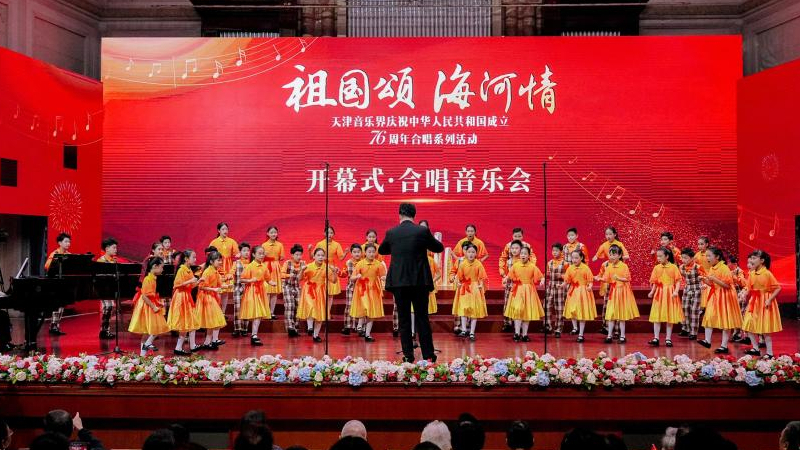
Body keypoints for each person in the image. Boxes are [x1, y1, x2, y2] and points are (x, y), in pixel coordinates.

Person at [378, 203, 444, 363]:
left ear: (399, 215)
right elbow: (438, 248)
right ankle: (428, 354)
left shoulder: (392, 232)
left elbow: (382, 250)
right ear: (414, 215)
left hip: (399, 281)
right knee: (422, 317)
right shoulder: (422, 231)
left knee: (404, 319)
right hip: (419, 281)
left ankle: (408, 355)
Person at [697, 247, 743, 353]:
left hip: (725, 296)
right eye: (706, 256)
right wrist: (704, 280)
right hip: (715, 295)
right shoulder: (712, 268)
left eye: (709, 256)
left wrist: (714, 279)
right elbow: (712, 284)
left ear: (717, 257)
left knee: (725, 321)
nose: (707, 258)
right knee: (709, 316)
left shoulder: (724, 268)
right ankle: (707, 341)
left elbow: (727, 285)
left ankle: (724, 346)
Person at [741, 249, 782, 357]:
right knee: (747, 325)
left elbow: (778, 288)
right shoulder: (751, 273)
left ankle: (769, 353)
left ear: (762, 261)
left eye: (754, 258)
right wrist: (744, 293)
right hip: (754, 302)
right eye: (751, 258)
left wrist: (769, 299)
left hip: (764, 301)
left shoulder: (767, 273)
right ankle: (755, 348)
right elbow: (749, 287)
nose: (751, 260)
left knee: (765, 329)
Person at [592, 227, 629, 335]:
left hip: (618, 282)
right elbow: (597, 255)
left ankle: (617, 330)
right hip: (608, 278)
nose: (608, 236)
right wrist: (595, 258)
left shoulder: (620, 245)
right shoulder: (604, 247)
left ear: (615, 234)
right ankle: (606, 327)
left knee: (617, 306)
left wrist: (619, 259)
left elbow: (626, 256)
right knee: (607, 304)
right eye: (606, 234)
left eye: (610, 234)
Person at [128, 257, 169, 355]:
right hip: (147, 306)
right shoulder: (148, 279)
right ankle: (147, 343)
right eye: (161, 267)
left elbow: (151, 295)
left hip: (150, 304)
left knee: (149, 331)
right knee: (157, 328)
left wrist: (158, 303)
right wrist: (154, 307)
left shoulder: (153, 278)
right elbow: (144, 296)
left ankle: (142, 354)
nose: (162, 270)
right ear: (155, 266)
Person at [600, 244, 638, 344]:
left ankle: (622, 336)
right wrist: (599, 278)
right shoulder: (609, 267)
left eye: (614, 254)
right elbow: (606, 279)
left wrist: (619, 278)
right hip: (613, 292)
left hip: (622, 293)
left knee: (621, 316)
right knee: (611, 314)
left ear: (620, 255)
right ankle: (609, 335)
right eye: (610, 255)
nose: (612, 257)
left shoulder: (624, 266)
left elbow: (627, 279)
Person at [504, 245, 544, 342]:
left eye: (525, 254)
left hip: (529, 291)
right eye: (521, 253)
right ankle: (517, 333)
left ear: (529, 255)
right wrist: (505, 279)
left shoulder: (532, 266)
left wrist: (542, 280)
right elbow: (509, 275)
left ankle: (525, 334)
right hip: (517, 290)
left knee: (526, 312)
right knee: (517, 311)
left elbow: (541, 276)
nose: (523, 255)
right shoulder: (515, 265)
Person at [297, 248, 337, 342]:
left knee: (320, 314)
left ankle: (316, 335)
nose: (320, 257)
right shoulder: (308, 266)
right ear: (314, 256)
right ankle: (310, 327)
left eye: (322, 255)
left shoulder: (326, 268)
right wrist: (302, 270)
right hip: (309, 290)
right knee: (310, 307)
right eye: (318, 255)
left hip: (320, 291)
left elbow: (334, 281)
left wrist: (334, 272)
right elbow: (299, 278)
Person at [350, 244, 386, 342]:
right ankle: (360, 326)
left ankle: (367, 334)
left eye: (373, 252)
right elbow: (352, 278)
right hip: (362, 291)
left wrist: (384, 278)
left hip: (374, 290)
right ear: (365, 253)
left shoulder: (379, 264)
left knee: (371, 313)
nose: (371, 254)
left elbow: (383, 276)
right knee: (364, 309)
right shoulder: (360, 264)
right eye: (369, 252)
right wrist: (356, 277)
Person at [452, 243, 488, 342]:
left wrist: (481, 284)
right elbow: (459, 277)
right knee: (463, 309)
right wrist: (458, 283)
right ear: (465, 253)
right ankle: (464, 330)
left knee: (473, 311)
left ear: (476, 253)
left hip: (474, 288)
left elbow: (482, 277)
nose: (471, 254)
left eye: (473, 252)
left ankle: (472, 332)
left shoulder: (478, 264)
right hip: (464, 289)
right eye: (469, 252)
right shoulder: (462, 264)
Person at [648, 247, 683, 347]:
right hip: (659, 293)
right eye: (657, 256)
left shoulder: (673, 267)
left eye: (660, 256)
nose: (658, 258)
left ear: (667, 256)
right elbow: (655, 282)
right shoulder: (656, 268)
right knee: (657, 316)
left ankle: (668, 338)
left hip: (670, 293)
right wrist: (652, 291)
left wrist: (676, 291)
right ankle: (656, 338)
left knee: (669, 316)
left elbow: (678, 281)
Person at [167, 250, 201, 355]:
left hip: (187, 296)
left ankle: (184, 347)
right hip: (181, 297)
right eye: (193, 257)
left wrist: (198, 282)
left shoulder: (189, 270)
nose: (195, 259)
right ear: (186, 259)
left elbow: (191, 286)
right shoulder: (182, 269)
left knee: (189, 322)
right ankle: (180, 347)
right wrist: (190, 281)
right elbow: (176, 285)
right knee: (184, 322)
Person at [196, 251, 229, 350]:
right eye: (218, 260)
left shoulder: (215, 271)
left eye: (221, 260)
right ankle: (211, 341)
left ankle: (207, 342)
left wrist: (226, 285)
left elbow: (219, 284)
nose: (220, 262)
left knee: (212, 322)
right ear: (211, 261)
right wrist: (213, 289)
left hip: (212, 296)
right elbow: (201, 287)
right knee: (214, 320)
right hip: (206, 297)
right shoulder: (207, 271)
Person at [240, 245, 272, 346]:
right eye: (259, 253)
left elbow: (268, 278)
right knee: (255, 313)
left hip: (261, 292)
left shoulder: (264, 266)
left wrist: (272, 282)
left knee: (258, 314)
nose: (262, 255)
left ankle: (254, 335)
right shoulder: (250, 266)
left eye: (263, 254)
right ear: (254, 254)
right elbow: (241, 279)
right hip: (252, 291)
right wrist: (250, 280)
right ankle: (253, 335)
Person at [562, 250, 596, 342]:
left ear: (581, 258)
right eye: (573, 258)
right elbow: (566, 281)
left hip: (583, 292)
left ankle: (581, 334)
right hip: (573, 291)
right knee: (572, 310)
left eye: (576, 258)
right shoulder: (570, 268)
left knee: (581, 313)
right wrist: (562, 285)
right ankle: (575, 328)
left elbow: (590, 281)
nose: (574, 260)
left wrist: (589, 286)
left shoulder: (585, 268)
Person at [209, 223, 239, 320]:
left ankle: (223, 312)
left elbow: (237, 254)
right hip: (217, 267)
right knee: (218, 290)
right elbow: (209, 255)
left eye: (226, 229)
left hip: (228, 267)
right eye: (223, 229)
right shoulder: (214, 242)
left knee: (225, 292)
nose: (225, 231)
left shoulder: (232, 241)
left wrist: (238, 255)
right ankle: (216, 312)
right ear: (218, 230)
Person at [45, 232, 71, 335]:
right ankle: (53, 326)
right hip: (55, 283)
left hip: (64, 283)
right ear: (59, 243)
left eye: (69, 242)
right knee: (57, 305)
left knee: (62, 305)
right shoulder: (54, 254)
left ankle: (56, 326)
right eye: (66, 241)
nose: (68, 243)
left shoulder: (69, 255)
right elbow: (47, 266)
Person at [96, 238, 121, 339]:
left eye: (116, 248)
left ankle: (106, 330)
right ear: (106, 249)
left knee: (110, 307)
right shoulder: (101, 261)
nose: (116, 250)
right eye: (114, 248)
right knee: (107, 306)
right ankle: (104, 330)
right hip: (103, 288)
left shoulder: (114, 261)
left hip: (110, 288)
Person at [310, 226, 346, 296]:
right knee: (321, 291)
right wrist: (309, 250)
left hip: (331, 268)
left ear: (334, 234)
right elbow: (312, 257)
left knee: (330, 292)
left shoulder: (337, 244)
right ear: (324, 233)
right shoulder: (320, 244)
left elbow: (341, 258)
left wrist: (345, 253)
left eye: (331, 233)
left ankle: (329, 304)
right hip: (322, 267)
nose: (329, 234)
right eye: (328, 233)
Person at [544, 243, 569, 338]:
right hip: (550, 286)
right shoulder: (549, 263)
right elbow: (547, 273)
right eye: (553, 251)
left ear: (561, 252)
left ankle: (558, 329)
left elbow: (569, 276)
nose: (554, 252)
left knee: (559, 308)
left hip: (560, 287)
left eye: (556, 251)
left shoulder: (565, 263)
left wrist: (561, 276)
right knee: (547, 306)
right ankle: (548, 326)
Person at [499, 240, 524, 333]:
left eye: (516, 248)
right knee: (507, 304)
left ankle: (519, 325)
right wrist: (504, 281)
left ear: (521, 249)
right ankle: (507, 323)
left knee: (518, 306)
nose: (514, 250)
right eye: (512, 248)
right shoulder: (508, 262)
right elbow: (506, 274)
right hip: (509, 286)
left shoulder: (523, 261)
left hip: (519, 287)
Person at [281, 244, 305, 337]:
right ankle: (290, 327)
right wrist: (288, 275)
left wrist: (302, 271)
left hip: (297, 287)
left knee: (298, 307)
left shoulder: (303, 264)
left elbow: (301, 278)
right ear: (292, 255)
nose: (299, 257)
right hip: (287, 286)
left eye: (300, 254)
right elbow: (281, 274)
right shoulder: (287, 263)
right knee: (290, 306)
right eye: (297, 255)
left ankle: (295, 328)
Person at [261, 226, 285, 318]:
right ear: (267, 234)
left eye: (275, 232)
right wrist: (265, 256)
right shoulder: (264, 245)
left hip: (276, 267)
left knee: (274, 292)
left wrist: (276, 258)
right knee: (267, 291)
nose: (273, 234)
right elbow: (260, 257)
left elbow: (282, 257)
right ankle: (266, 312)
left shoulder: (280, 245)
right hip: (266, 267)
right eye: (271, 232)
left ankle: (271, 312)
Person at [678, 248, 702, 340]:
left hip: (697, 289)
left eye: (686, 258)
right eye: (682, 258)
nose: (683, 260)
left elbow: (704, 277)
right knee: (685, 308)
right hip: (687, 289)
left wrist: (703, 284)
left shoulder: (697, 267)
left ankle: (693, 332)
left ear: (692, 258)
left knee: (694, 310)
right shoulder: (681, 267)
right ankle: (686, 328)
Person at [342, 244, 363, 336]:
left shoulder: (363, 262)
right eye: (354, 252)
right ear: (351, 253)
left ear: (361, 252)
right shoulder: (348, 263)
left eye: (358, 252)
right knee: (349, 306)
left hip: (362, 288)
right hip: (351, 288)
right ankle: (347, 326)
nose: (357, 254)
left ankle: (360, 327)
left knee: (361, 307)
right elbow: (344, 273)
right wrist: (338, 272)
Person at [232, 243, 252, 337]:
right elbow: (231, 272)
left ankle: (245, 329)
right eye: (244, 251)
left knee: (246, 308)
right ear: (240, 252)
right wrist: (228, 276)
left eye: (248, 250)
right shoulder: (236, 263)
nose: (246, 252)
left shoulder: (251, 264)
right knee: (237, 308)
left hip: (248, 289)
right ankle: (237, 329)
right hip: (237, 288)